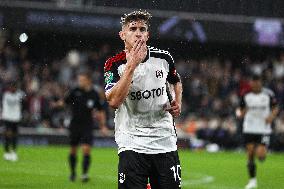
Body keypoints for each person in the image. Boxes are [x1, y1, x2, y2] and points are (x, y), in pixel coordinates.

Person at [104, 10, 183, 189]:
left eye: (142, 29)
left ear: (147, 35)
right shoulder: (114, 64)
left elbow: (176, 81)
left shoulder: (163, 58)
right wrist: (131, 66)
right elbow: (114, 101)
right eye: (132, 29)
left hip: (164, 141)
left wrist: (178, 102)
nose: (138, 33)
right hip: (132, 142)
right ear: (122, 35)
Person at [53, 71, 108, 182]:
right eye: (79, 80)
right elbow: (64, 101)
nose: (80, 82)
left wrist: (103, 126)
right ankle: (73, 173)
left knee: (86, 149)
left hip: (87, 126)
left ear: (88, 80)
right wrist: (56, 104)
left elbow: (101, 111)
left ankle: (84, 174)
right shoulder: (75, 91)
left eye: (82, 80)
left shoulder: (94, 94)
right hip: (75, 125)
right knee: (73, 150)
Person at [237, 75, 279, 189]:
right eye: (253, 82)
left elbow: (276, 107)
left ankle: (260, 150)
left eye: (257, 82)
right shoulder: (245, 95)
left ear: (261, 82)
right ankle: (252, 181)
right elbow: (240, 109)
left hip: (263, 129)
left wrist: (271, 116)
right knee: (250, 154)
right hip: (249, 128)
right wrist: (241, 113)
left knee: (260, 156)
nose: (255, 84)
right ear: (251, 83)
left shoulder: (268, 94)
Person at [2, 81, 25, 162]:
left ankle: (14, 152)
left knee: (15, 136)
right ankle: (7, 152)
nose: (13, 88)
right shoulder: (6, 95)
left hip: (15, 118)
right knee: (8, 135)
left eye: (14, 87)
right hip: (8, 117)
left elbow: (25, 96)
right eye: (12, 87)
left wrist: (20, 91)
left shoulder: (19, 94)